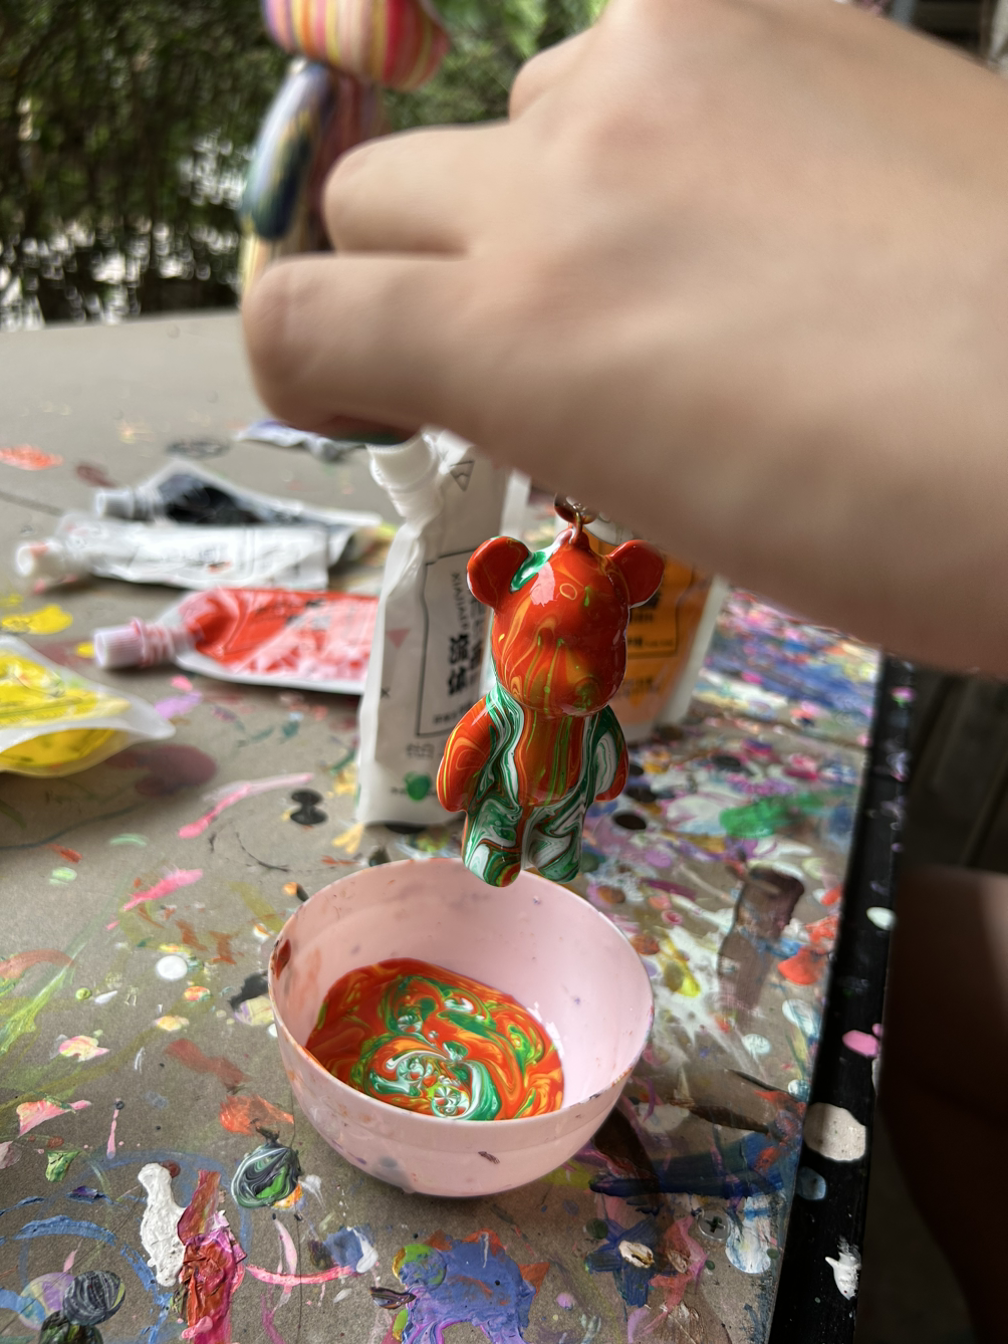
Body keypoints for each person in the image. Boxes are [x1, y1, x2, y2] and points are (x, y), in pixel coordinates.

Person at [242, 0, 1008, 1335]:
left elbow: (593, 745)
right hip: (540, 815)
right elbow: (491, 743)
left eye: (583, 638)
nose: (568, 656)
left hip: (550, 822)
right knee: (921, 949)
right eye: (556, 634)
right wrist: (478, 764)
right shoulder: (509, 648)